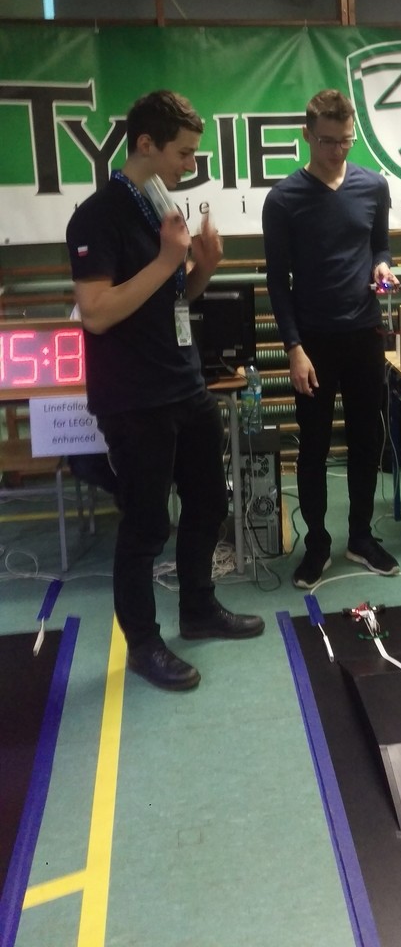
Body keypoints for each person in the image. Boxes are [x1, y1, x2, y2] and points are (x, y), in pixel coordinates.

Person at [66, 90, 264, 692]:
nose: (190, 164)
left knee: (209, 504)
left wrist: (202, 266)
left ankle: (198, 609)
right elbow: (96, 313)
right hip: (134, 398)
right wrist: (165, 260)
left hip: (184, 383)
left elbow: (174, 299)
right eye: (183, 153)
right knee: (146, 525)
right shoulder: (97, 216)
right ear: (146, 144)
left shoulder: (159, 203)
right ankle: (144, 644)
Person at [262, 88, 400, 588]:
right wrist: (293, 348)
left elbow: (380, 245)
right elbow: (277, 281)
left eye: (345, 141)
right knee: (315, 447)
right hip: (313, 343)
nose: (337, 151)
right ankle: (317, 544)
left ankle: (360, 537)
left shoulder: (373, 186)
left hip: (365, 333)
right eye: (327, 141)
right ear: (307, 135)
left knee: (367, 441)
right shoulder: (283, 200)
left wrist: (383, 267)